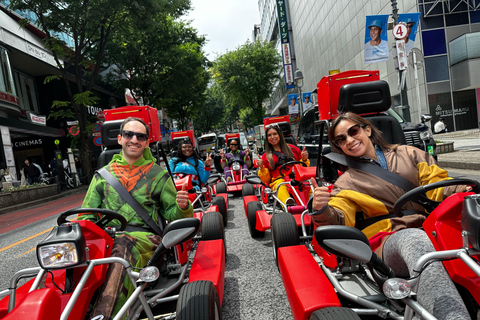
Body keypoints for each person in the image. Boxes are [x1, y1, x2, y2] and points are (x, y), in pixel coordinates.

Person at [310, 112, 471, 320]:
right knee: (415, 240)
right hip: (388, 241)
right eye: (341, 139)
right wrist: (322, 209)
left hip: (431, 228)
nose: (349, 140)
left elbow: (438, 184)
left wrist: (462, 189)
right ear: (339, 146)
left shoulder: (410, 153)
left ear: (367, 130)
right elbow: (340, 219)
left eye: (353, 131)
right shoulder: (346, 183)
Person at [77, 117, 193, 319]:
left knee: (121, 245)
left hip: (145, 241)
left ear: (146, 142)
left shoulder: (158, 175)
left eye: (140, 136)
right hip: (106, 240)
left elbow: (172, 216)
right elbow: (86, 216)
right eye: (129, 134)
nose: (134, 139)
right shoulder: (102, 175)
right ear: (120, 139)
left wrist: (183, 207)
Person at [257, 123, 309, 205]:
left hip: (296, 178)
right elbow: (266, 180)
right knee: (280, 185)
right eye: (269, 135)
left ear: (280, 135)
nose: (273, 137)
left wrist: (304, 159)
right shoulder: (266, 156)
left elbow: (304, 169)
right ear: (267, 138)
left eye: (275, 134)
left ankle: (314, 202)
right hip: (278, 180)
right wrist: (262, 167)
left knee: (309, 183)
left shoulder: (293, 149)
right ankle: (288, 204)